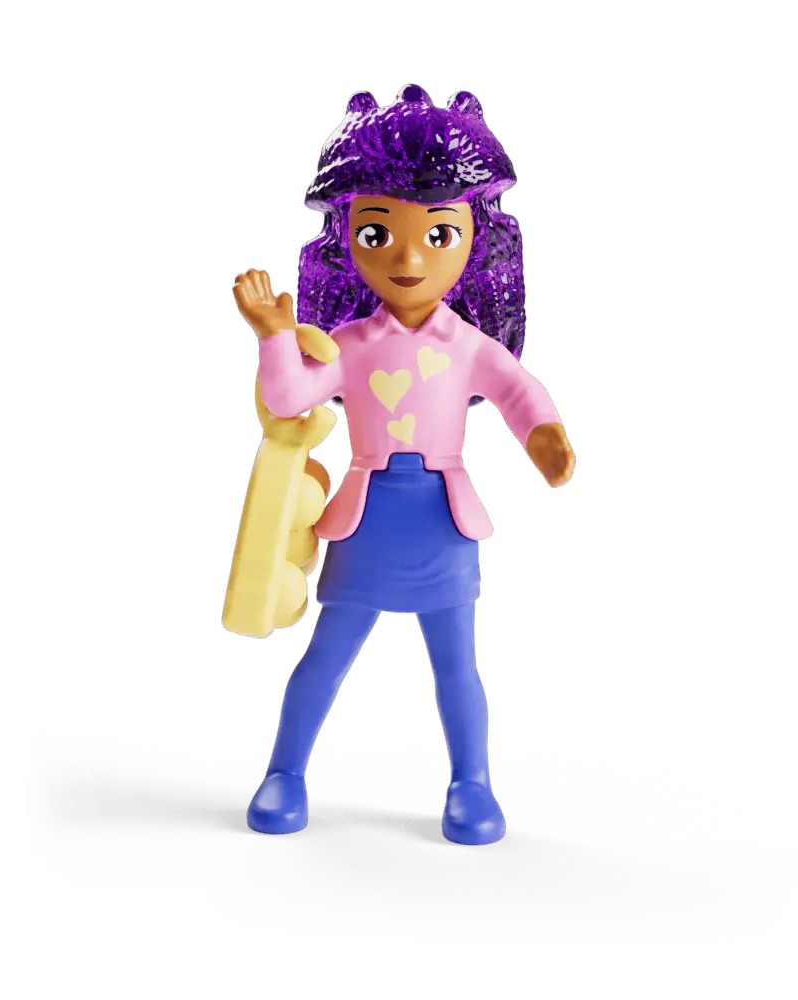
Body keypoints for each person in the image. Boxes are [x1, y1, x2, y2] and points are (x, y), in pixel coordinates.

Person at [232, 84, 576, 846]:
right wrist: (274, 336)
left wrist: (545, 437)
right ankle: (284, 773)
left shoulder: (470, 347)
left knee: (457, 666)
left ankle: (472, 785)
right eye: (378, 232)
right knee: (325, 658)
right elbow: (290, 398)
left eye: (439, 233)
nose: (411, 257)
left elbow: (518, 391)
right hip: (364, 522)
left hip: (443, 523)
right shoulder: (351, 344)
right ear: (347, 237)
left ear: (475, 236)